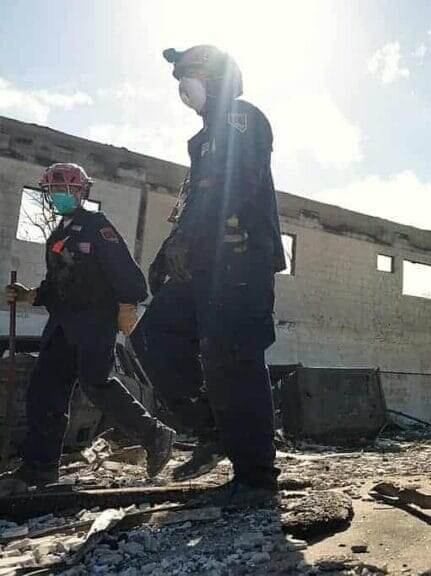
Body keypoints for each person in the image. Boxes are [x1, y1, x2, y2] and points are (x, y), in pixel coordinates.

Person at [131, 45, 285, 505]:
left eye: (191, 74)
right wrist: (165, 255)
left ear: (218, 77)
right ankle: (210, 428)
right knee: (150, 338)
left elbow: (238, 183)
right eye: (178, 77)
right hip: (202, 265)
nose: (183, 85)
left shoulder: (243, 119)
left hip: (241, 262)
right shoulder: (200, 143)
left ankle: (256, 476)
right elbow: (194, 203)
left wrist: (190, 237)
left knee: (233, 358)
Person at [1, 163, 175, 488]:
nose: (61, 196)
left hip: (95, 321)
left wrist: (127, 307)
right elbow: (55, 285)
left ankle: (155, 435)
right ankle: (39, 467)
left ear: (82, 192)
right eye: (54, 190)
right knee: (45, 390)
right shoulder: (57, 235)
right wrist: (29, 295)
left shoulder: (97, 226)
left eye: (68, 190)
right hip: (62, 324)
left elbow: (127, 274)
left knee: (96, 382)